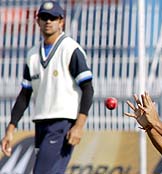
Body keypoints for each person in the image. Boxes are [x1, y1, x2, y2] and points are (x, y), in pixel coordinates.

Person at [1, 1, 94, 173]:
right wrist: (10, 130)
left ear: (61, 21)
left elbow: (88, 88)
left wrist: (79, 126)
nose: (48, 21)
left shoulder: (70, 49)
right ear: (38, 21)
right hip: (41, 123)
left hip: (62, 123)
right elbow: (25, 95)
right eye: (44, 17)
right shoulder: (33, 54)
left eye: (53, 18)